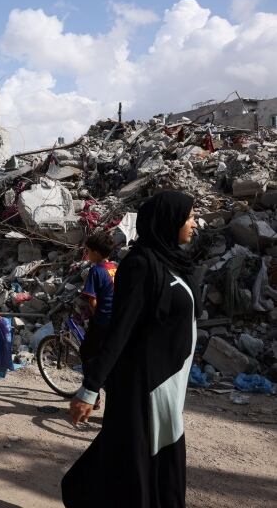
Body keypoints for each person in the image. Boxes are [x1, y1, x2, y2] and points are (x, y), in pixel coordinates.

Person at [62, 191, 199, 508]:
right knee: (144, 461)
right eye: (189, 217)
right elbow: (120, 329)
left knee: (134, 455)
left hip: (171, 381)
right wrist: (89, 388)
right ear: (169, 220)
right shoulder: (141, 265)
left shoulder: (175, 263)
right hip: (147, 384)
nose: (194, 223)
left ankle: (80, 492)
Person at [80, 231, 118, 409]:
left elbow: (92, 299)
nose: (86, 254)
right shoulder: (114, 268)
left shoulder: (96, 271)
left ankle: (91, 396)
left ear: (95, 252)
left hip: (102, 321)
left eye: (88, 251)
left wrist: (96, 316)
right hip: (116, 321)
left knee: (88, 355)